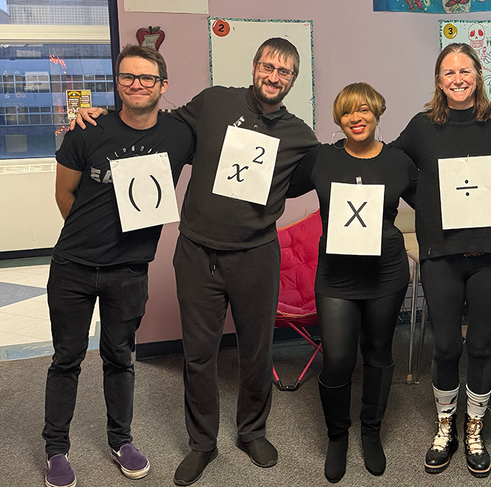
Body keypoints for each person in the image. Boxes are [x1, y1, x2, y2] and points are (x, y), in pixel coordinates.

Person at [73, 37, 319, 486]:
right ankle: (202, 443)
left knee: (257, 350)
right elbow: (154, 124)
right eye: (267, 66)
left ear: (293, 79)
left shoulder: (300, 135)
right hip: (198, 253)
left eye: (283, 71)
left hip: (256, 256)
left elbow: (309, 179)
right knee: (200, 355)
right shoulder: (214, 103)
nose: (273, 76)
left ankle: (252, 431)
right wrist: (102, 117)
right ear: (254, 65)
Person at [43, 45, 194, 487]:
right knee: (66, 359)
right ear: (118, 83)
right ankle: (56, 448)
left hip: (128, 271)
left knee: (120, 358)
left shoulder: (181, 135)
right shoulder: (87, 131)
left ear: (162, 86)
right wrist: (95, 234)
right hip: (72, 265)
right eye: (128, 77)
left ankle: (121, 440)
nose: (137, 85)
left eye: (147, 78)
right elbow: (63, 196)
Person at [391, 43, 491, 478]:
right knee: (448, 345)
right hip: (441, 255)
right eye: (448, 71)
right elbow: (396, 166)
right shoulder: (422, 126)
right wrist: (428, 204)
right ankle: (445, 428)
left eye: (465, 70)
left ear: (478, 74)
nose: (457, 78)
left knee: (479, 347)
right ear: (438, 80)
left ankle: (473, 427)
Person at [288, 82, 418, 483]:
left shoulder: (399, 161)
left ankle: (371, 431)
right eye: (347, 112)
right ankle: (337, 435)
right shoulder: (321, 159)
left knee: (378, 353)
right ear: (338, 119)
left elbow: (432, 204)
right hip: (338, 276)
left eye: (363, 110)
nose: (356, 118)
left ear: (377, 114)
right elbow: (274, 183)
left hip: (387, 273)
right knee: (339, 357)